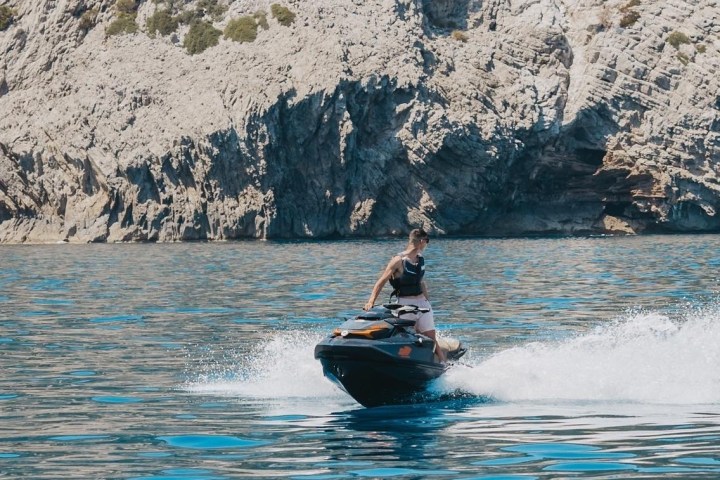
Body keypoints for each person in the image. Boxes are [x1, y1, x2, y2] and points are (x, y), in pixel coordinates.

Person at [363, 228, 446, 362]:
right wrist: (371, 301)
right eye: (427, 241)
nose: (427, 244)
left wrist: (427, 302)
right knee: (407, 336)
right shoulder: (398, 260)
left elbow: (421, 283)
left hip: (422, 304)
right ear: (421, 241)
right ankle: (403, 361)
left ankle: (443, 364)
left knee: (431, 337)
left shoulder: (420, 259)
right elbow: (381, 281)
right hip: (404, 304)